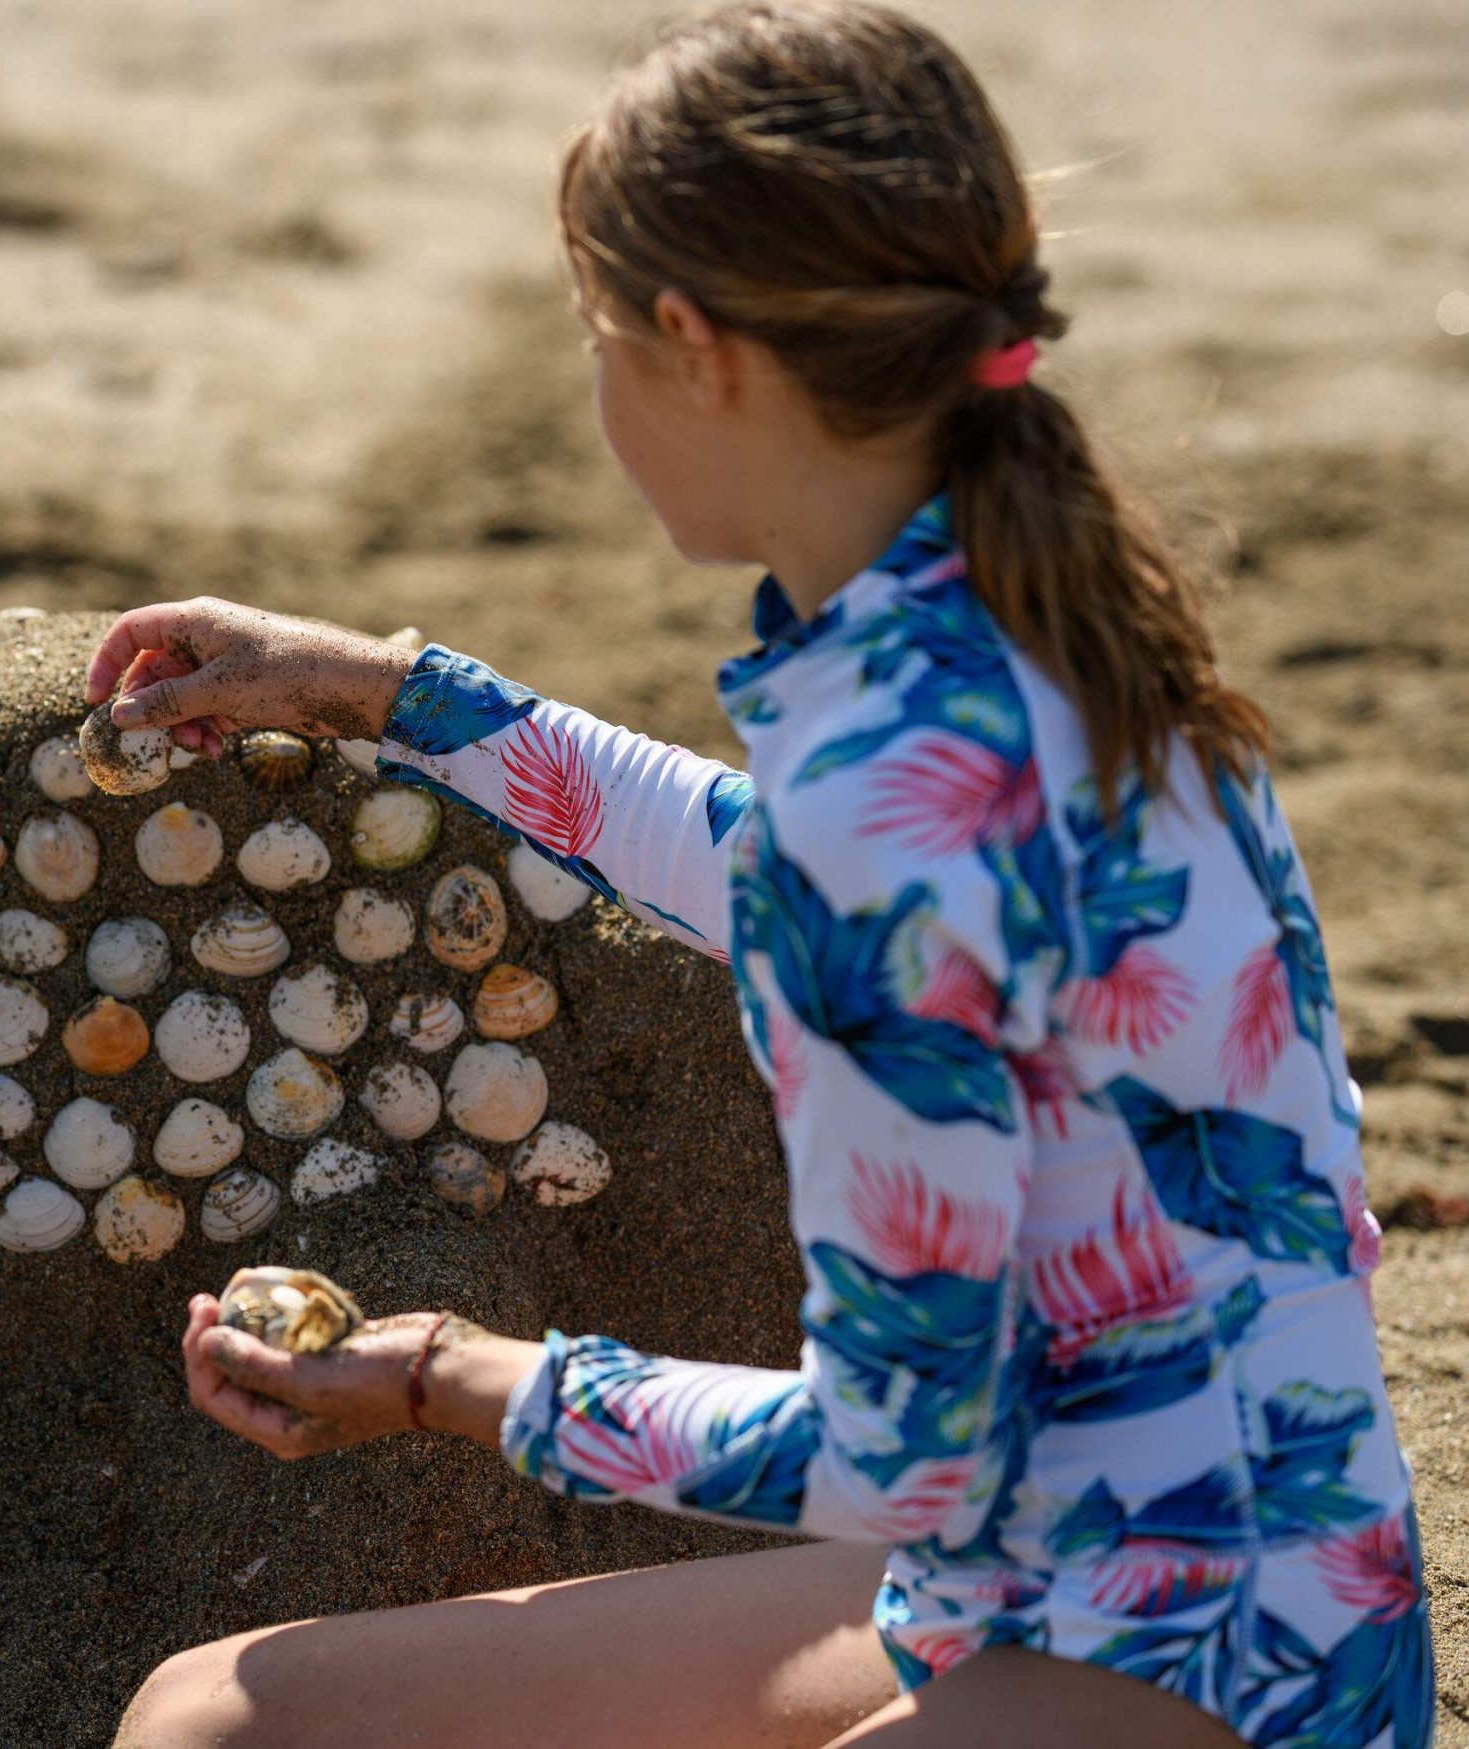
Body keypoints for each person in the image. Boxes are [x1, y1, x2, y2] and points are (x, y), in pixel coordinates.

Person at [88, 5, 1432, 1746]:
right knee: (219, 1718)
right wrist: (391, 693)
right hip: (1224, 1575)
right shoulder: (1067, 629)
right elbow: (767, 859)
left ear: (690, 343)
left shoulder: (880, 802)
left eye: (597, 335)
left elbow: (899, 1446)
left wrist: (446, 1376)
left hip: (1194, 1667)